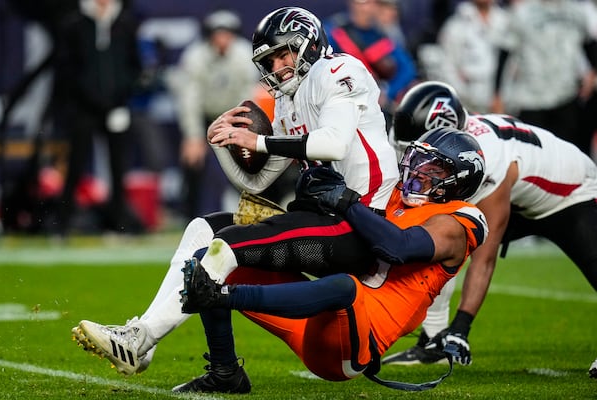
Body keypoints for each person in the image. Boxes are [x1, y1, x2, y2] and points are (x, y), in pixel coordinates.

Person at [71, 6, 399, 391]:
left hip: (358, 222)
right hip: (321, 216)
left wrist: (255, 140)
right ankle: (171, 351)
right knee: (204, 230)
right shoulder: (290, 99)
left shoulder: (338, 71)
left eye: (283, 54)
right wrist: (223, 143)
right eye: (270, 60)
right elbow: (258, 181)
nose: (277, 66)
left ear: (308, 43)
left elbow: (334, 144)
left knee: (223, 248)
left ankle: (142, 341)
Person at [178, 127, 488, 392]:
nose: (418, 171)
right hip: (314, 316)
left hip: (353, 343)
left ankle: (224, 298)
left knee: (344, 287)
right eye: (418, 160)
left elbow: (398, 247)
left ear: (459, 182)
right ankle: (224, 372)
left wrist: (344, 201)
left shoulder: (459, 222)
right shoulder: (392, 196)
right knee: (214, 261)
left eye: (433, 169)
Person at [380, 81, 597, 376]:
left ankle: (449, 334)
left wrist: (462, 328)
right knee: (436, 236)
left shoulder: (487, 161)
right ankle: (433, 341)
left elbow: (484, 259)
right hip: (521, 194)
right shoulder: (459, 148)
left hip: (572, 194)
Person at [52, 0, 146, 235]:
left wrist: (120, 94)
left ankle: (119, 223)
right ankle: (62, 223)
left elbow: (134, 66)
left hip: (116, 106)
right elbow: (67, 67)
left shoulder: (124, 22)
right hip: (85, 108)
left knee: (118, 167)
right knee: (76, 164)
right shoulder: (75, 23)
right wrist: (87, 96)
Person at [170, 8, 260, 218]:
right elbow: (189, 99)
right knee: (193, 163)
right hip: (204, 116)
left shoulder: (244, 55)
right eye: (217, 33)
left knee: (246, 164)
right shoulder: (195, 57)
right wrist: (193, 136)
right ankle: (191, 217)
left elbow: (248, 97)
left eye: (226, 33)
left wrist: (243, 129)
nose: (222, 38)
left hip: (235, 114)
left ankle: (248, 215)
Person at [491, 0, 597, 154]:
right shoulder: (522, 13)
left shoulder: (576, 12)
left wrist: (593, 72)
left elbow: (590, 45)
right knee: (535, 156)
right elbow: (505, 53)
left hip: (566, 96)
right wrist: (497, 93)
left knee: (568, 154)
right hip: (532, 99)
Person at [323, 0, 418, 122]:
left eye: (369, 3)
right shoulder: (334, 31)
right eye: (360, 3)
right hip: (344, 104)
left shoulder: (383, 35)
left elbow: (407, 69)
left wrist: (386, 92)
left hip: (377, 108)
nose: (364, 8)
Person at [431, 0, 509, 114]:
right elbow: (447, 67)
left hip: (504, 106)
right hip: (468, 107)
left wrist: (501, 99)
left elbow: (514, 64)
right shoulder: (455, 25)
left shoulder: (507, 22)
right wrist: (466, 101)